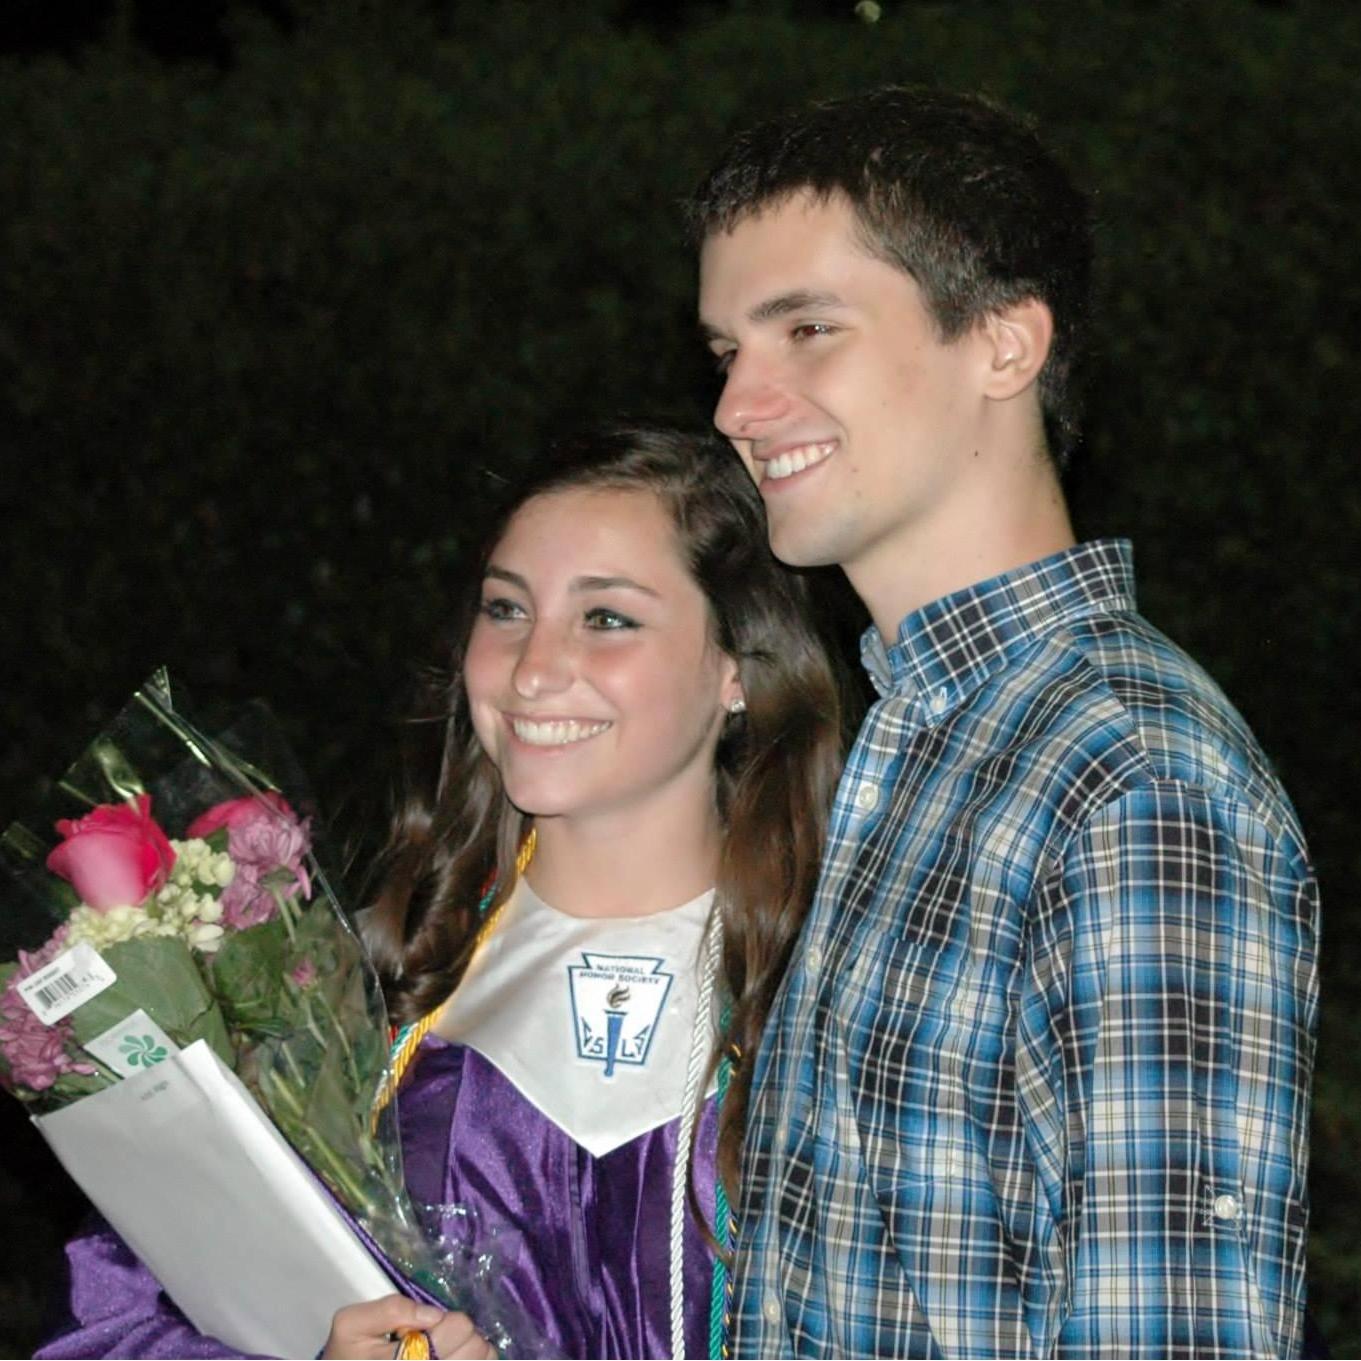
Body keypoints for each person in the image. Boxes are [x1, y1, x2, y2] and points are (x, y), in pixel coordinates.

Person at [689, 86, 1320, 1358]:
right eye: (724, 353)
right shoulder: (921, 741)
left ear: (1002, 344)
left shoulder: (1127, 782)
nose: (735, 408)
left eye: (805, 329)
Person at [35, 427, 845, 1360]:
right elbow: (116, 1323)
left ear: (738, 669)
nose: (533, 668)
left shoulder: (841, 991)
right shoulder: (351, 1000)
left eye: (607, 617)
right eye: (506, 609)